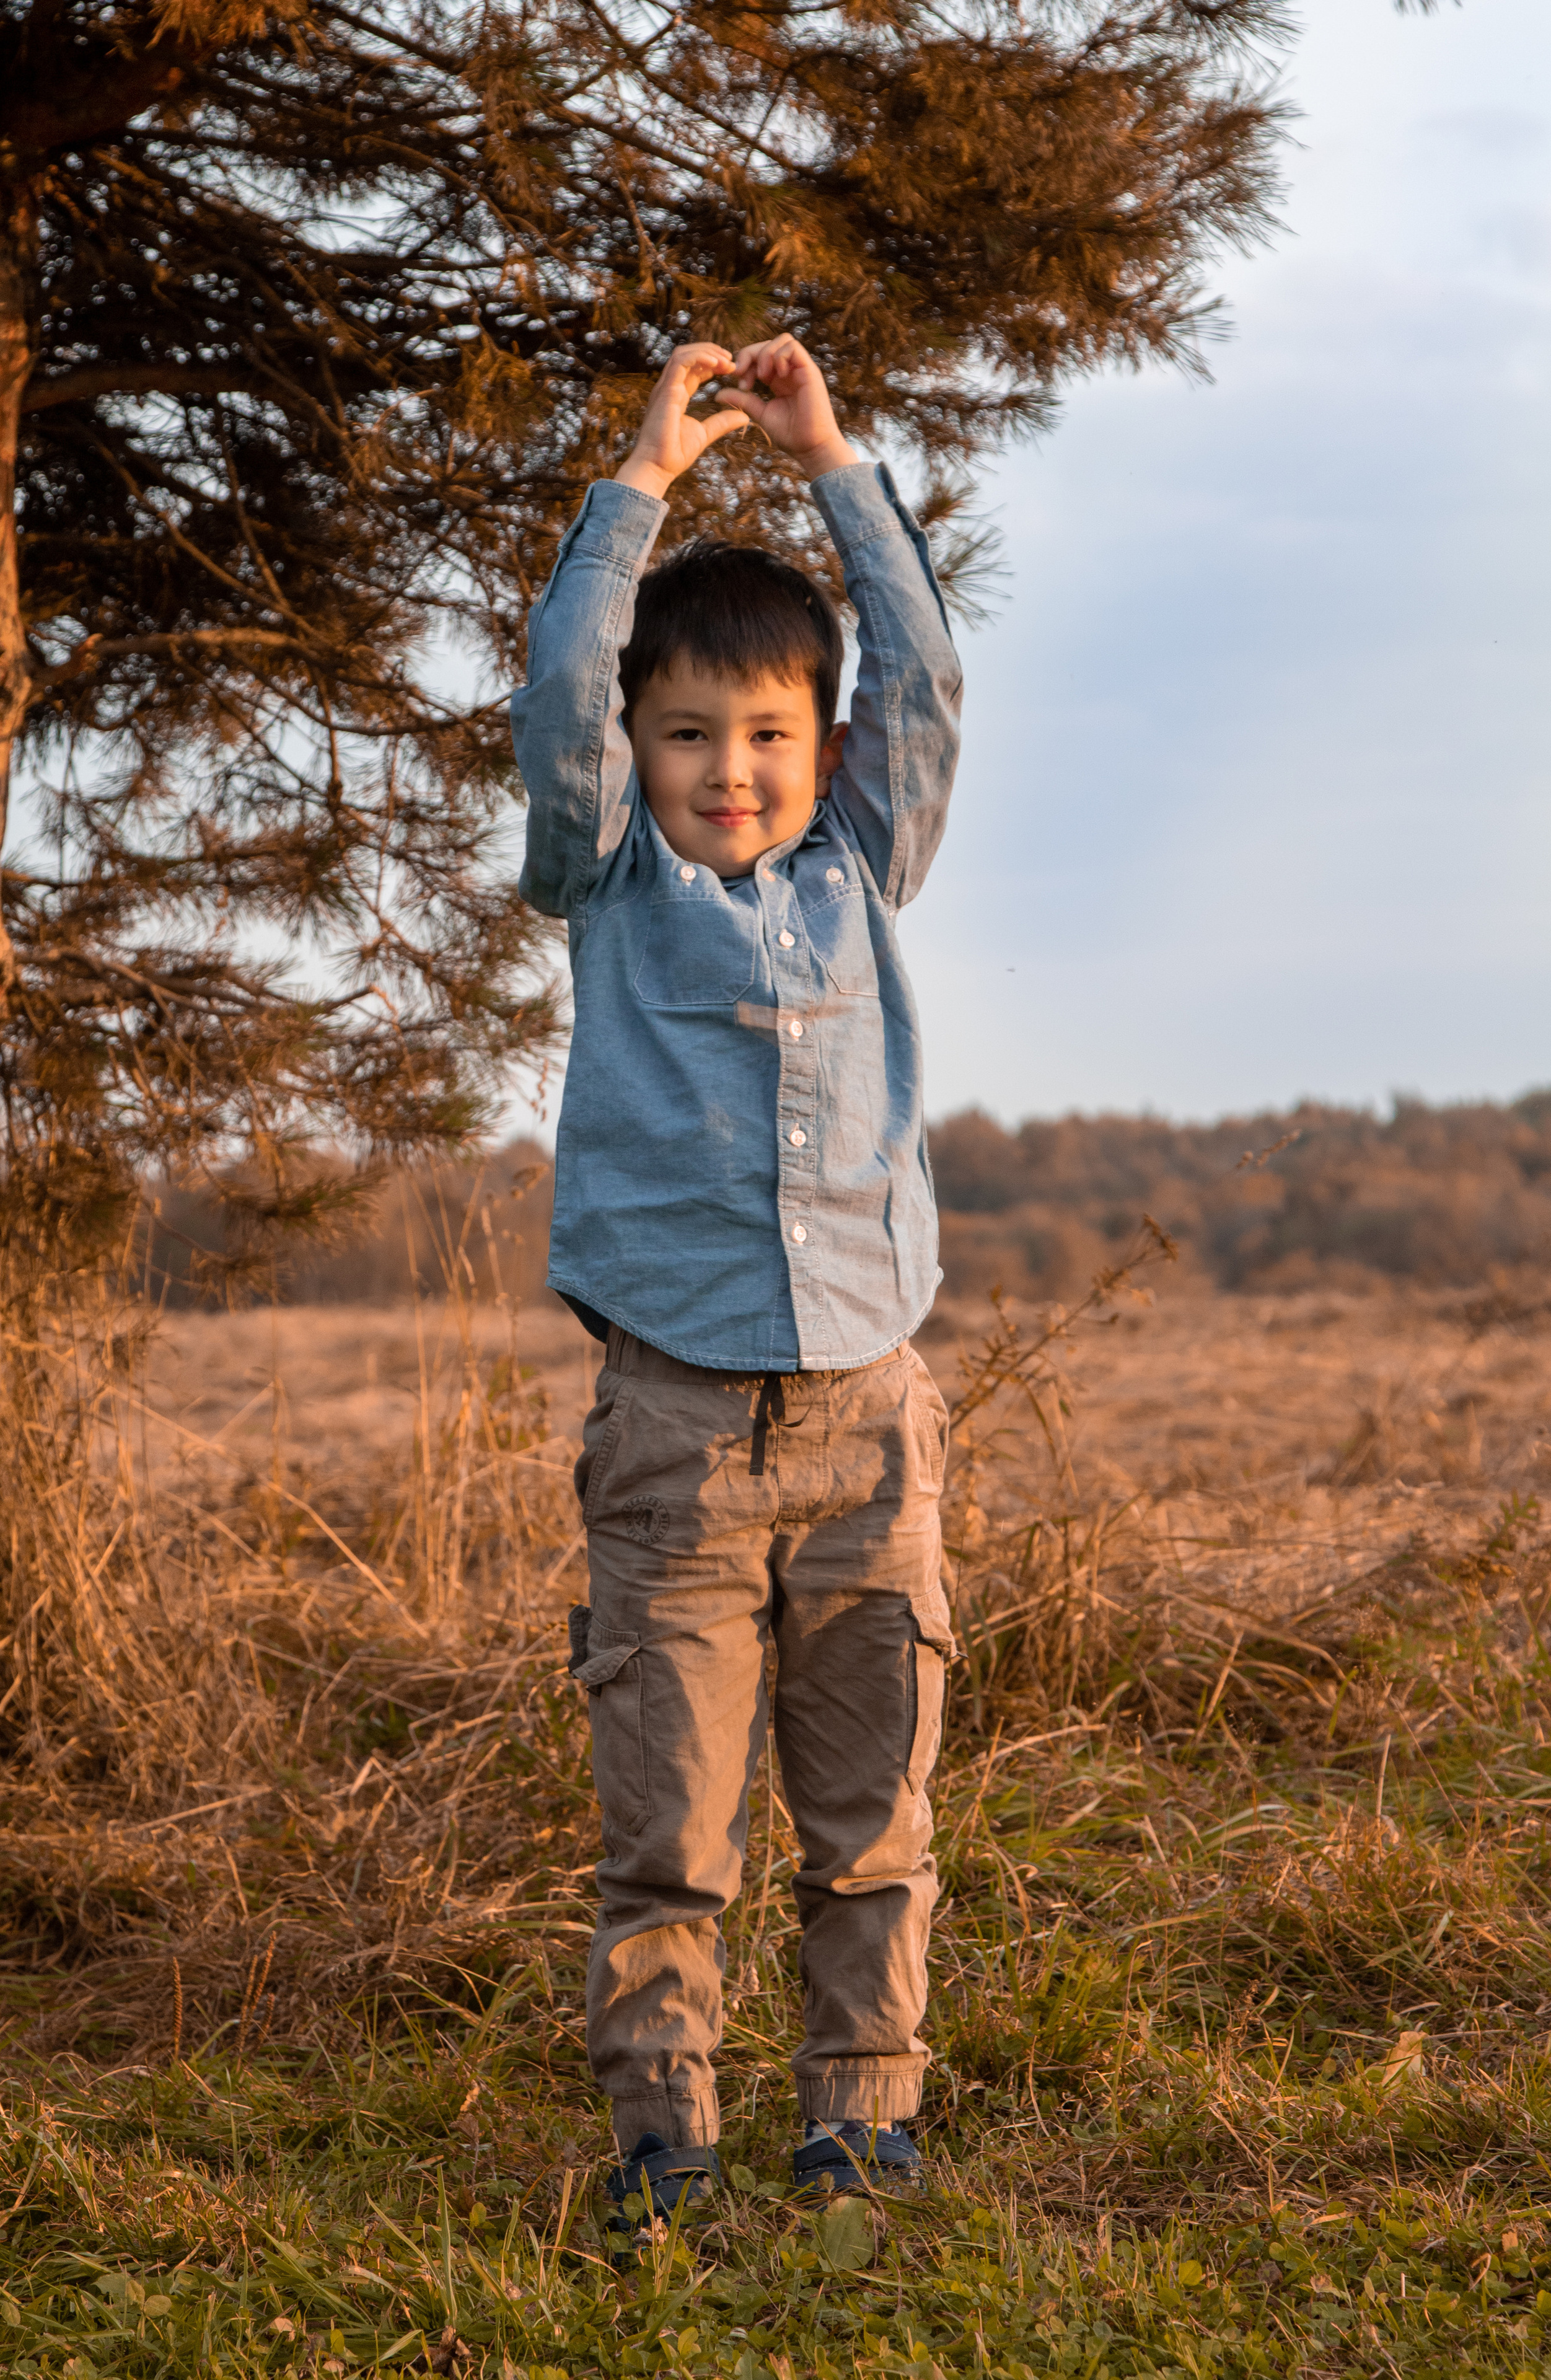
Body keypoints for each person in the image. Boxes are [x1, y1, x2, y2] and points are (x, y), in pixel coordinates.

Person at [511, 333, 963, 2241]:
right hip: (676, 1437)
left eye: (768, 733)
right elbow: (564, 690)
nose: (729, 769)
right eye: (689, 733)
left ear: (824, 752)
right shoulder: (611, 876)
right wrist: (641, 484)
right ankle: (661, 2140)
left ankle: (860, 2119)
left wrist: (831, 458)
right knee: (671, 1832)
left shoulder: (864, 858)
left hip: (871, 1433)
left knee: (869, 1824)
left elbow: (922, 677)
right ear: (639, 751)